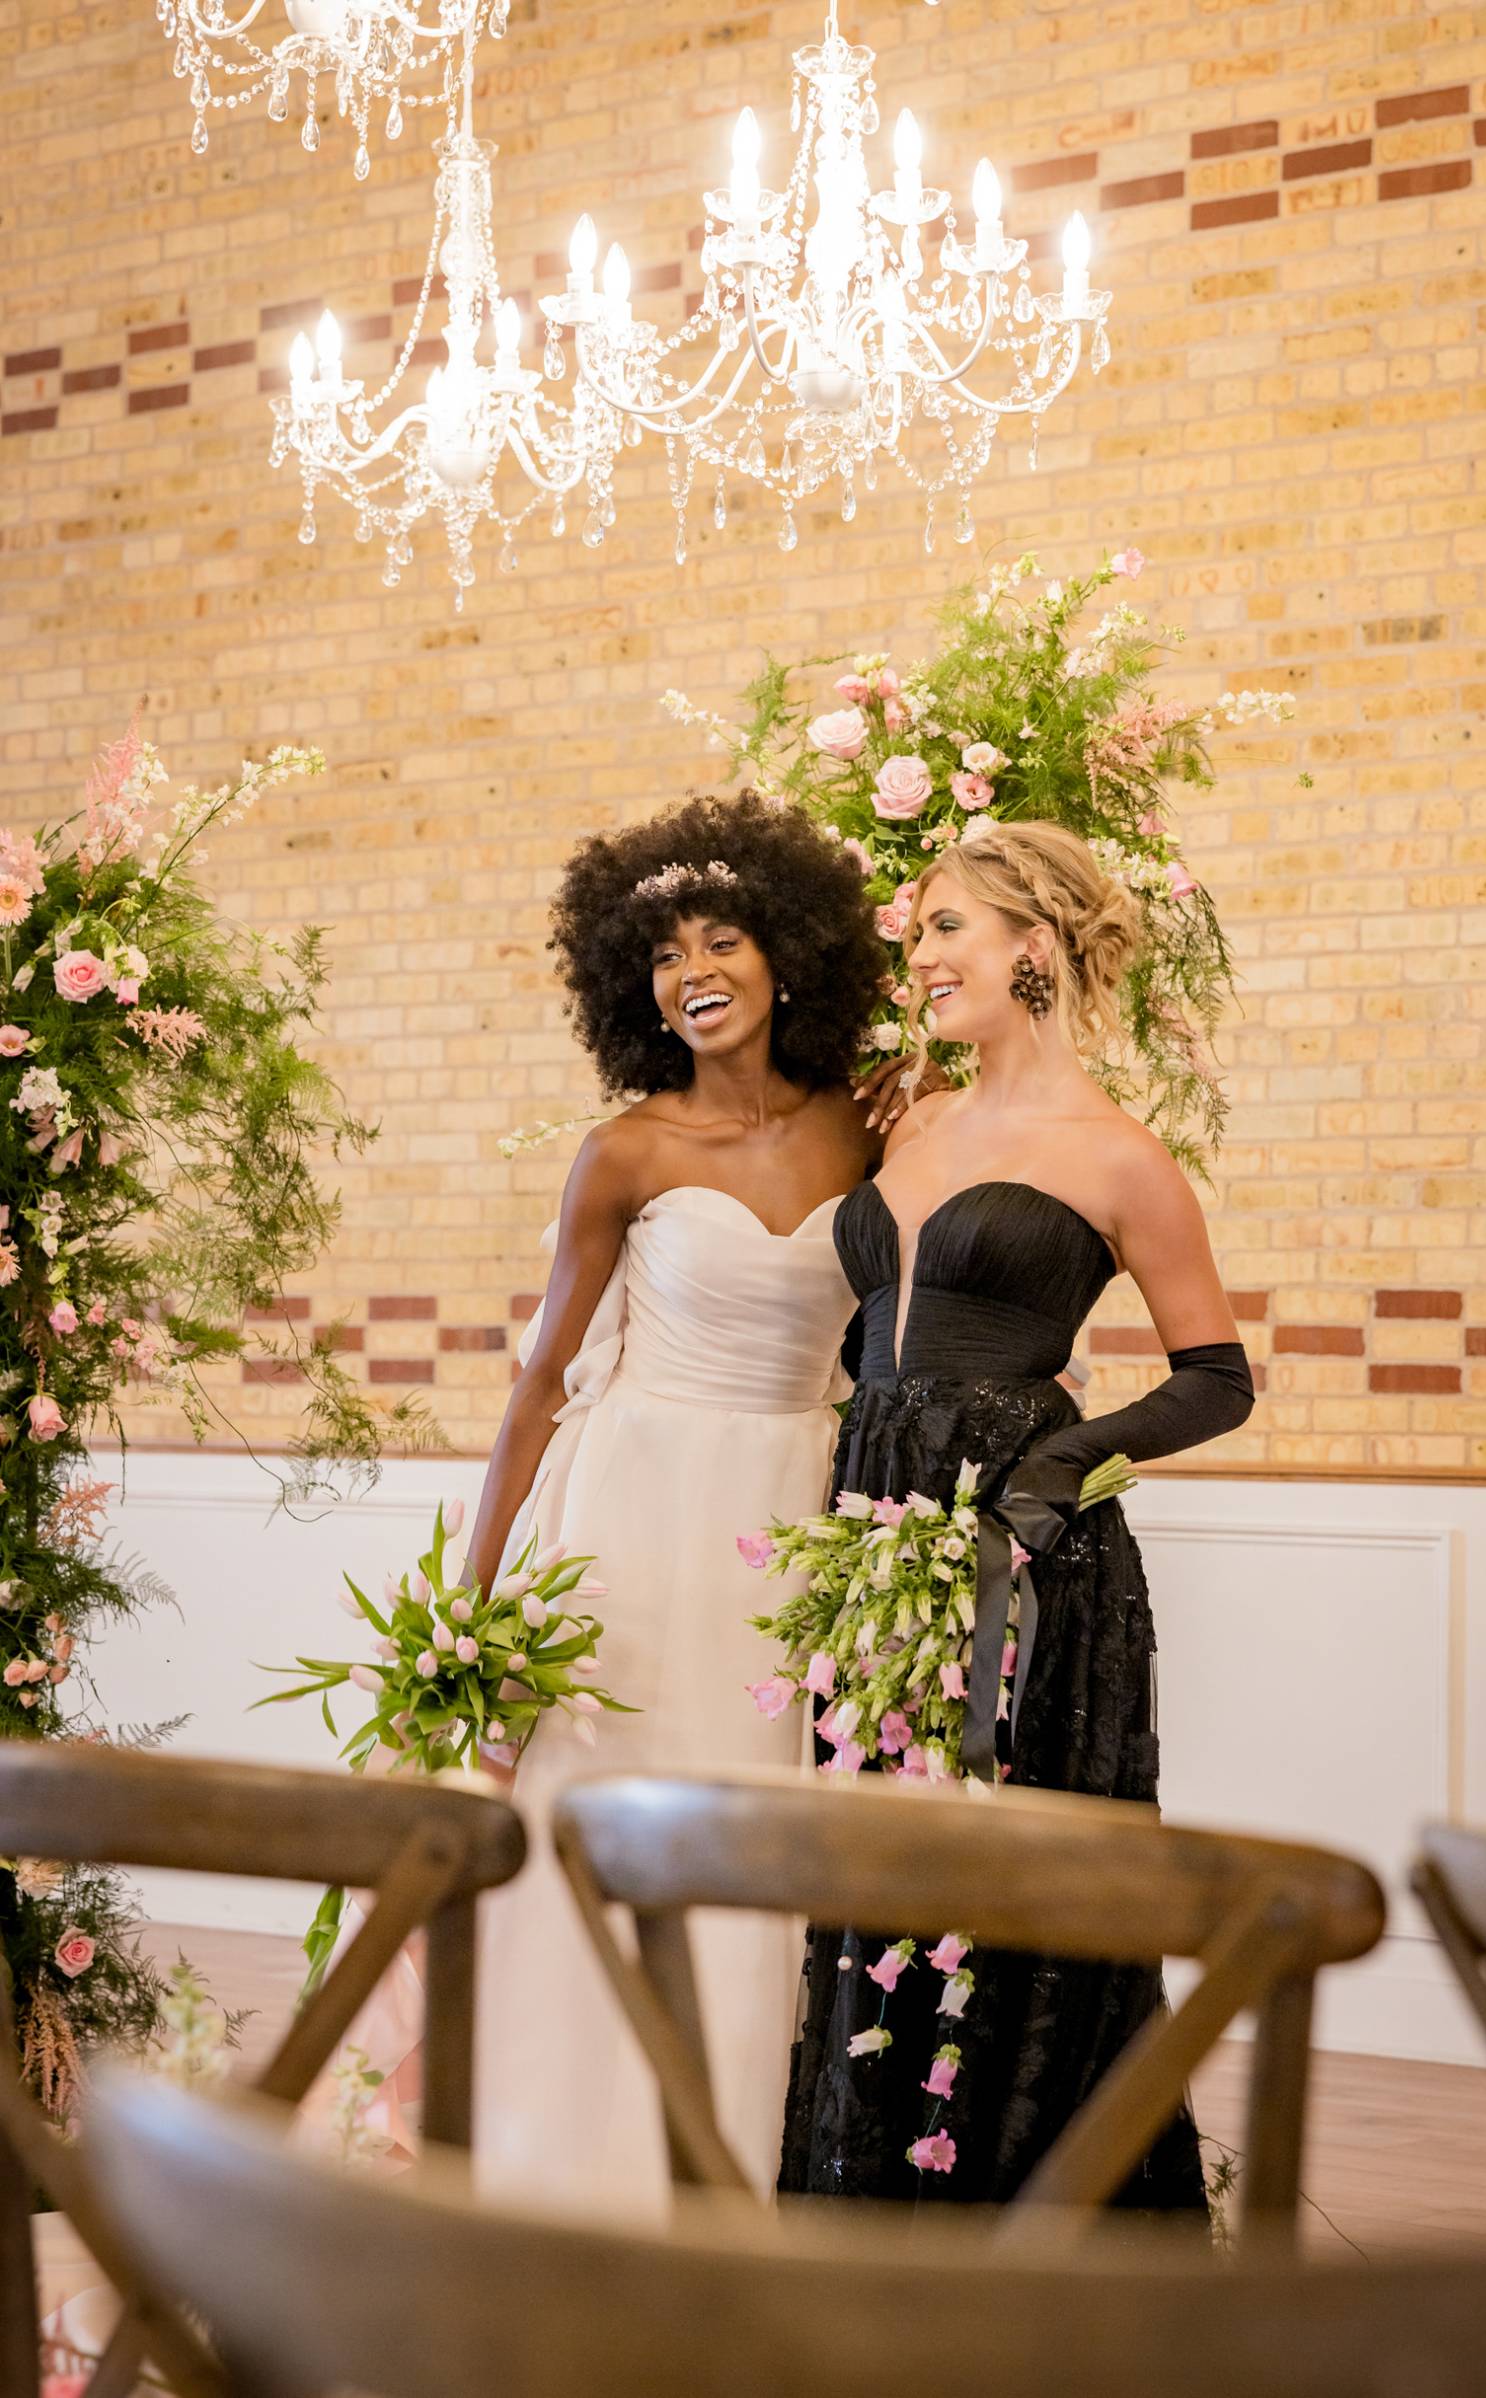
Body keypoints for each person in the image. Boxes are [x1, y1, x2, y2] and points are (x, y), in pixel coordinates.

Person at [778, 818, 1255, 2210]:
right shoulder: (910, 1118)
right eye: (917, 933)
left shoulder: (1118, 1155)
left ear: (1032, 947)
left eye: (946, 929)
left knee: (1011, 1887)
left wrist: (1062, 1471)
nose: (919, 957)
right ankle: (864, 2207)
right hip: (872, 1531)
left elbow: (1218, 1380)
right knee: (878, 1869)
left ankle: (1023, 2222)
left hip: (1023, 1550)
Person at [461, 789, 899, 2212]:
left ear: (789, 957)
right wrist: (474, 1607)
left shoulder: (867, 1131)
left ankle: (727, 2171)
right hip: (633, 1524)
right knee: (610, 1813)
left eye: (721, 940)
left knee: (758, 1826)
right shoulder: (628, 1153)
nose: (691, 972)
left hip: (794, 1522)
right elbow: (540, 1384)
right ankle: (559, 2166)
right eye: (662, 955)